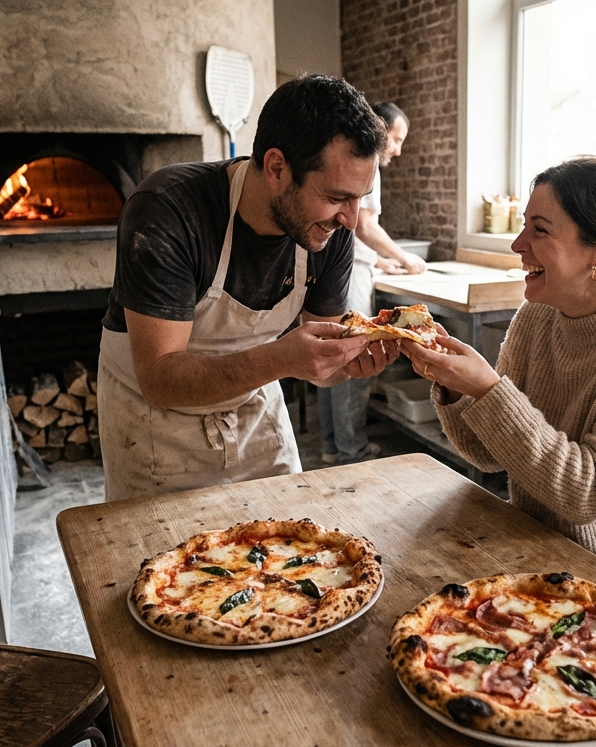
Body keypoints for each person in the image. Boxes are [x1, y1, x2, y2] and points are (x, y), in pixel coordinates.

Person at [401, 156, 596, 603]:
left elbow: (590, 494)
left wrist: (487, 390)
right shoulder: (538, 315)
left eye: (540, 230)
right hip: (540, 561)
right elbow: (488, 455)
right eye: (523, 226)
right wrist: (452, 383)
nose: (518, 244)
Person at [98, 75, 400, 502]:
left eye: (360, 198)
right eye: (336, 197)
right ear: (276, 168)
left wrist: (346, 363)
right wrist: (283, 358)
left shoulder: (330, 233)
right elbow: (160, 380)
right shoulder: (168, 210)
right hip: (156, 433)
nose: (350, 219)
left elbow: (324, 359)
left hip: (255, 418)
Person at [317, 101, 426, 465]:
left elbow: (351, 231)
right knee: (352, 356)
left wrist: (377, 260)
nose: (397, 149)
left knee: (331, 354)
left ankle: (333, 446)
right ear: (379, 129)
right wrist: (404, 257)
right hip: (349, 272)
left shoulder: (349, 160)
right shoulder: (368, 163)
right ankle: (353, 452)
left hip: (345, 265)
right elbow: (362, 225)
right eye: (396, 138)